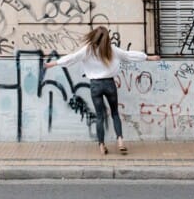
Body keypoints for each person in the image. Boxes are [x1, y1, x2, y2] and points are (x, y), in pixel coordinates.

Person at [44, 26, 161, 156]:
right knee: (115, 113)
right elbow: (129, 55)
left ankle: (101, 145)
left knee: (100, 116)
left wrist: (53, 63)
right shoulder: (112, 49)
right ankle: (120, 140)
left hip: (95, 86)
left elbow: (72, 58)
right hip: (109, 84)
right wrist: (148, 57)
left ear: (94, 36)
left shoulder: (88, 50)